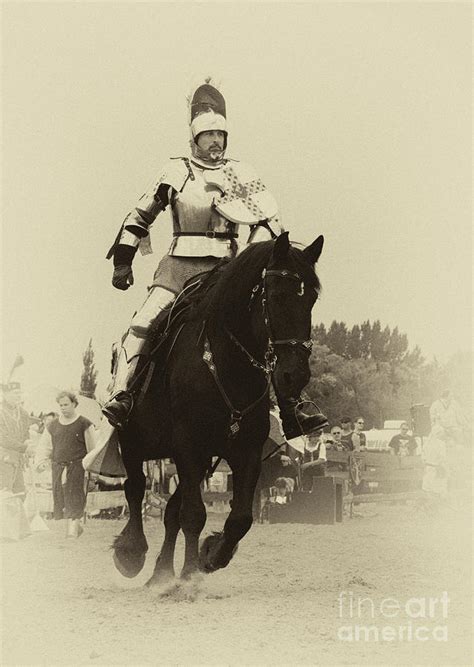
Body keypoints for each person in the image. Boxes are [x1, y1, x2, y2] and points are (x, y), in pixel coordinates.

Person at [99, 79, 328, 444]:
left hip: (228, 272)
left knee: (272, 327)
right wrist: (123, 258)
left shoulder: (242, 174)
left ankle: (292, 408)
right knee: (143, 322)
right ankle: (123, 395)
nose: (216, 141)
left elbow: (269, 224)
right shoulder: (175, 172)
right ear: (194, 139)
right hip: (178, 267)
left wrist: (251, 263)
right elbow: (140, 215)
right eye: (208, 135)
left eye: (221, 134)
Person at [35, 391, 96, 536]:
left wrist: (91, 469)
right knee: (61, 497)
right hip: (58, 467)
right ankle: (75, 527)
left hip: (77, 467)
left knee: (74, 496)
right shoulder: (52, 425)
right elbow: (45, 446)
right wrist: (41, 461)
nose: (63, 408)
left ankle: (72, 531)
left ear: (74, 404)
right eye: (61, 405)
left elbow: (92, 448)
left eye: (66, 404)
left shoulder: (84, 423)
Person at [0, 382, 31, 495]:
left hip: (18, 460)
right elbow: (2, 438)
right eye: (15, 393)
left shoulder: (22, 412)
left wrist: (27, 440)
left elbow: (26, 431)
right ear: (5, 394)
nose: (19, 396)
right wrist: (24, 448)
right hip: (3, 460)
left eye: (20, 393)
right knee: (5, 494)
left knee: (20, 493)